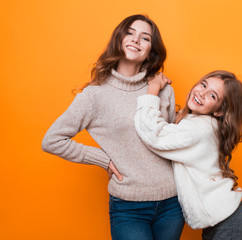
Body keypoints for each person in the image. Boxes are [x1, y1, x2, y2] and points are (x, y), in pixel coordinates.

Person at [41, 14, 184, 240]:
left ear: (151, 51)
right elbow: (52, 140)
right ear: (119, 39)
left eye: (145, 38)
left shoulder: (162, 88)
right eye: (130, 33)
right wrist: (102, 159)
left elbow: (168, 138)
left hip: (173, 203)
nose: (136, 40)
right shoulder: (94, 96)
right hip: (129, 208)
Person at [134, 70, 242, 240]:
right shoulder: (195, 122)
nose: (201, 93)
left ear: (219, 111)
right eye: (203, 84)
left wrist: (153, 89)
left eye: (212, 96)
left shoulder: (201, 129)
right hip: (223, 218)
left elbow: (154, 134)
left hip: (228, 221)